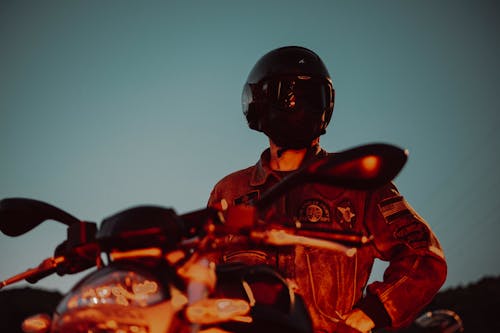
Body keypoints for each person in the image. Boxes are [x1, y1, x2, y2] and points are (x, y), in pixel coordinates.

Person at [207, 46, 447, 333]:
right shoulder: (230, 191)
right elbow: (199, 271)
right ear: (260, 102)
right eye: (286, 94)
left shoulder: (357, 181)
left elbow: (425, 255)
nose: (297, 105)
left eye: (309, 96)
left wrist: (370, 314)